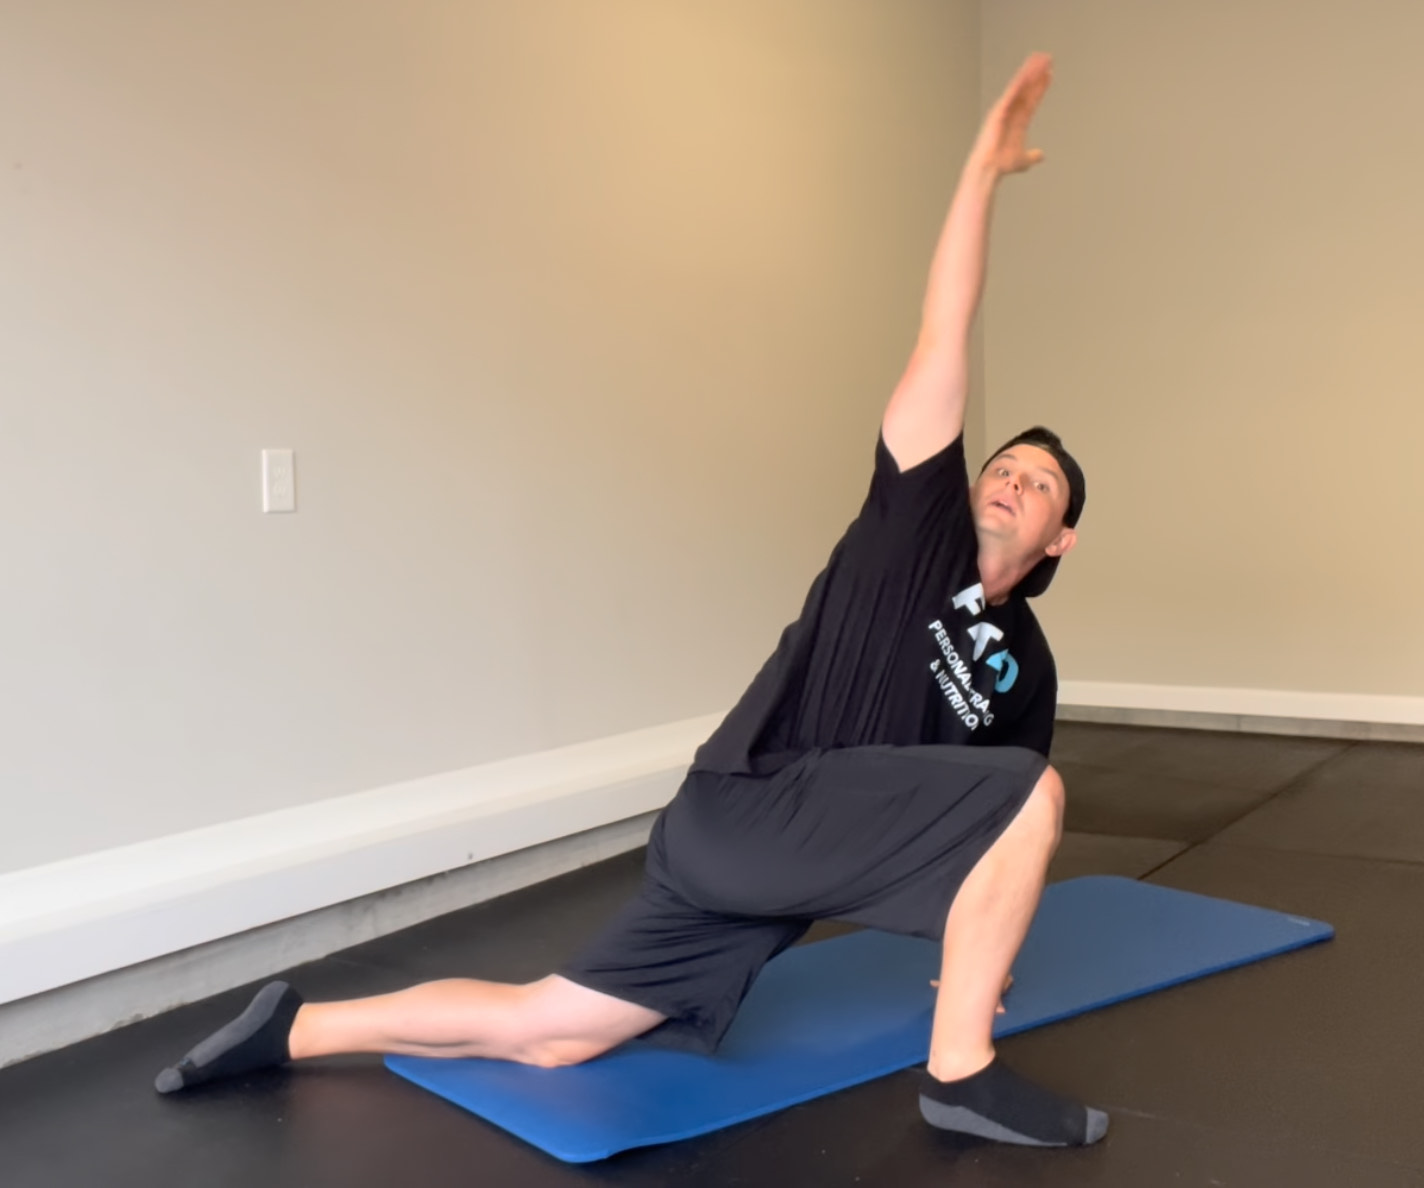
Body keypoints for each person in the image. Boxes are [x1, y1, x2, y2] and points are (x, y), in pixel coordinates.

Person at [155, 52, 1105, 1148]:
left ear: (1060, 539)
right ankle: (960, 1073)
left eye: (1039, 484)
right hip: (757, 802)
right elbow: (944, 330)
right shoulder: (913, 523)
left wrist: (977, 954)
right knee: (1033, 790)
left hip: (760, 865)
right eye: (1002, 463)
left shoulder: (1027, 666)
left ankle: (297, 1027)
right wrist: (978, 175)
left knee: (552, 1032)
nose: (1009, 479)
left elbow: (985, 838)